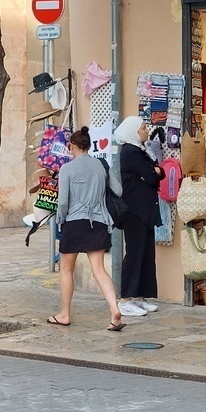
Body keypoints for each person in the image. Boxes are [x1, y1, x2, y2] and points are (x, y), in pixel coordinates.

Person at [47, 126, 123, 331]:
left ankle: (64, 314)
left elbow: (62, 202)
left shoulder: (67, 169)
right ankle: (114, 310)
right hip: (98, 222)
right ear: (89, 145)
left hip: (74, 222)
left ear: (73, 146)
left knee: (66, 268)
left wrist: (61, 220)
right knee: (99, 269)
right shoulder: (101, 165)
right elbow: (118, 190)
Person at [114, 116, 164, 317]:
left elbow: (156, 173)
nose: (146, 131)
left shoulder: (140, 151)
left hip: (145, 209)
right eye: (143, 128)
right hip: (134, 211)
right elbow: (153, 175)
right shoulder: (130, 152)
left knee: (146, 254)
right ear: (133, 132)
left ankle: (139, 296)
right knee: (134, 254)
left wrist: (155, 172)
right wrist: (154, 172)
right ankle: (125, 299)